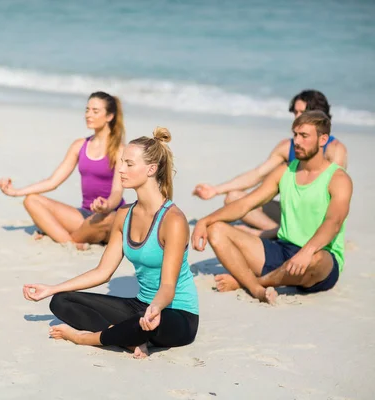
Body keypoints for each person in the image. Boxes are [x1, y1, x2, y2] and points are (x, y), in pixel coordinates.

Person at [23, 128, 199, 359]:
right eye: (121, 162)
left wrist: (155, 308)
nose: (121, 169)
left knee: (142, 323)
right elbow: (103, 271)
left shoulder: (173, 220)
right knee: (62, 302)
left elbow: (168, 287)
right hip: (141, 305)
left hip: (175, 314)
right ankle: (128, 338)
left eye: (128, 164)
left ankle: (85, 337)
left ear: (151, 169)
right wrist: (52, 288)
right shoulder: (124, 214)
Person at [192, 111, 352, 305]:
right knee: (216, 230)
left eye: (304, 136)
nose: (297, 141)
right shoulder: (285, 171)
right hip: (283, 250)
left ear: (323, 139)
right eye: (295, 134)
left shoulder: (338, 178)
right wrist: (205, 220)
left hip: (319, 259)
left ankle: (251, 282)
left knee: (317, 260)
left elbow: (333, 222)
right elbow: (246, 203)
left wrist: (307, 251)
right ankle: (256, 289)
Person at [192, 90, 348, 237]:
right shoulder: (287, 146)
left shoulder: (335, 150)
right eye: (295, 112)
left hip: (314, 216)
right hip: (289, 210)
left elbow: (333, 199)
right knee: (233, 198)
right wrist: (215, 190)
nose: (296, 117)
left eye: (302, 112)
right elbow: (258, 174)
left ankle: (269, 234)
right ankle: (275, 232)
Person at [0, 91, 125, 248]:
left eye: (95, 111)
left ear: (109, 116)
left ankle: (59, 235)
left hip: (109, 215)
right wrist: (16, 192)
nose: (88, 115)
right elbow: (53, 182)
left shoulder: (120, 151)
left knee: (108, 218)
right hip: (84, 216)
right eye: (87, 110)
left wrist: (106, 205)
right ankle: (71, 242)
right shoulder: (79, 145)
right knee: (31, 200)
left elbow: (117, 192)